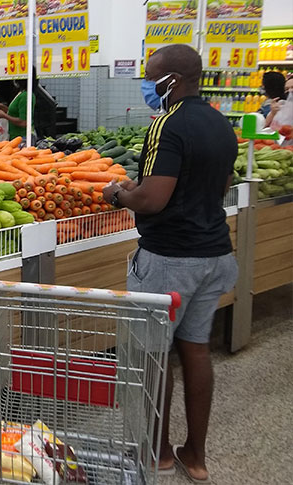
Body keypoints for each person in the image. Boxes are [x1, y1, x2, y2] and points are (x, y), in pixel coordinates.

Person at [101, 44, 238, 484]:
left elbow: (153, 198)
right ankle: (195, 457)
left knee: (153, 356)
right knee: (195, 350)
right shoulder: (221, 122)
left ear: (171, 80)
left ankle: (158, 451)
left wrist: (119, 194)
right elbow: (222, 185)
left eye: (150, 76)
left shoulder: (168, 123)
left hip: (169, 260)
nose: (146, 83)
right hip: (215, 253)